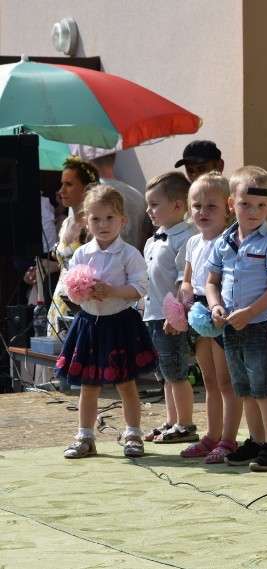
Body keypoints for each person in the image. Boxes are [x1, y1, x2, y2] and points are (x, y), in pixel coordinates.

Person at [56, 185, 158, 458]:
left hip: (120, 325)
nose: (103, 225)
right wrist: (82, 293)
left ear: (122, 220)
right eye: (96, 219)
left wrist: (111, 290)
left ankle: (133, 434)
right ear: (86, 222)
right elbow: (71, 290)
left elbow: (140, 288)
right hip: (89, 325)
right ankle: (85, 438)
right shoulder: (81, 254)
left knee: (125, 384)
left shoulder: (129, 254)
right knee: (88, 386)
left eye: (110, 218)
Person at [207, 166, 267, 472]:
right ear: (232, 204)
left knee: (263, 388)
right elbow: (211, 281)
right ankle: (255, 441)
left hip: (259, 325)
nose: (253, 211)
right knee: (243, 388)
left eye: (261, 205)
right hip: (231, 326)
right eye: (245, 204)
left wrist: (252, 312)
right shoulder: (222, 243)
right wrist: (215, 306)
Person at [177, 172, 242, 463]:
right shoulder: (192, 243)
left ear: (228, 208)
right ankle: (212, 434)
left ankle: (228, 438)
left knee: (226, 381)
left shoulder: (230, 240)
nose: (203, 212)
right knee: (209, 380)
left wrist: (219, 310)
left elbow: (231, 280)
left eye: (211, 206)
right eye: (197, 206)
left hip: (221, 311)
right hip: (199, 313)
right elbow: (188, 280)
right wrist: (185, 298)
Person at [142, 172, 198, 445]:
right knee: (165, 373)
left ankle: (185, 423)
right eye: (148, 204)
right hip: (152, 316)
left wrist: (175, 313)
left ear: (178, 206)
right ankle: (171, 419)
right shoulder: (153, 240)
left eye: (154, 204)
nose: (148, 210)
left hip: (170, 318)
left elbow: (183, 279)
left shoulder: (185, 237)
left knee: (176, 370)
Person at [48, 157, 100, 342]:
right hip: (59, 299)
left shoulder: (94, 224)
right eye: (62, 184)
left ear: (87, 188)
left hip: (81, 304)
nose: (62, 190)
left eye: (68, 184)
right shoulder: (67, 222)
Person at [89, 153, 153, 251]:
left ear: (88, 160)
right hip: (133, 262)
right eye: (96, 219)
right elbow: (144, 240)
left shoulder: (88, 195)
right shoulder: (138, 196)